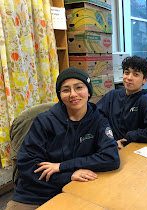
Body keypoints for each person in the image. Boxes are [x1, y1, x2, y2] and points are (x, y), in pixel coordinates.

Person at [6, 67, 120, 210]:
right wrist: (68, 176)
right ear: (60, 95)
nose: (73, 94)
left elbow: (111, 158)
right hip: (37, 193)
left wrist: (62, 166)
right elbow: (28, 165)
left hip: (80, 189)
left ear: (89, 91)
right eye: (66, 90)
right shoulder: (44, 121)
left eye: (79, 87)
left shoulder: (98, 120)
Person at [96, 55, 147, 149]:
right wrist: (108, 139)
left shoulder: (146, 101)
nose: (129, 78)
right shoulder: (112, 96)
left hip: (130, 148)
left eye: (136, 74)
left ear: (145, 80)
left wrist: (130, 136)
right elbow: (96, 118)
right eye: (127, 73)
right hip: (108, 145)